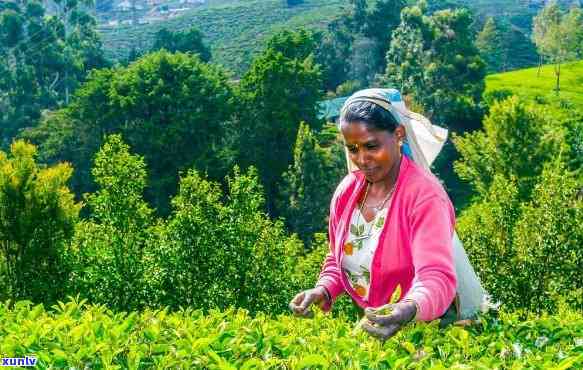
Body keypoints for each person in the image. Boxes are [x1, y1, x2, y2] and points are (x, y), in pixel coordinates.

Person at [289, 88, 488, 340]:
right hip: (378, 326)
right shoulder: (348, 192)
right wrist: (323, 289)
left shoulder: (423, 197)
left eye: (372, 146)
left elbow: (436, 276)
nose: (362, 159)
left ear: (398, 134)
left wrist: (406, 309)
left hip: (427, 328)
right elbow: (339, 257)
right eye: (353, 148)